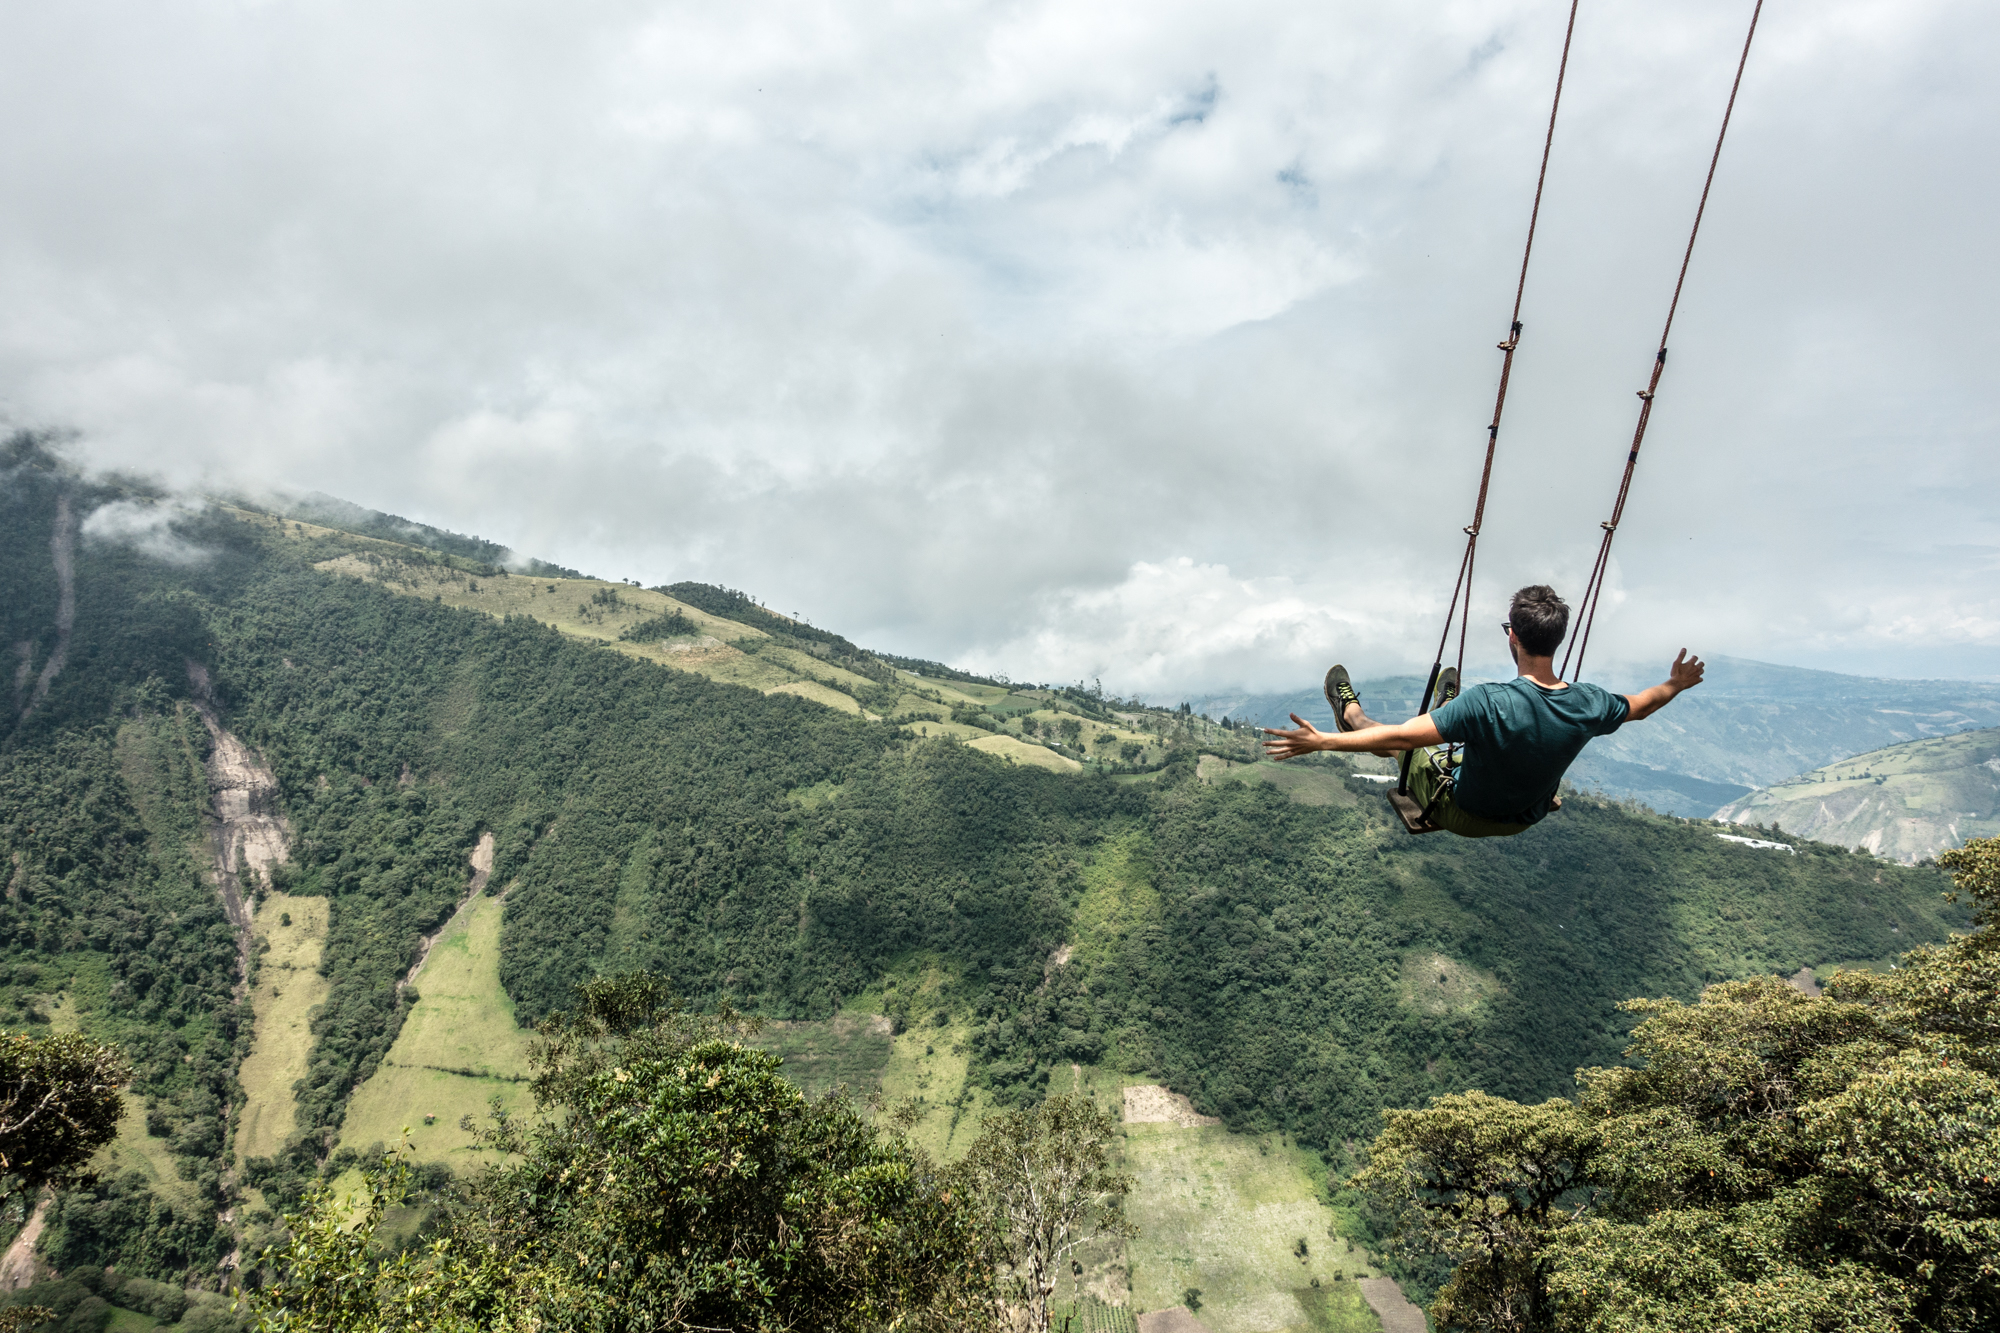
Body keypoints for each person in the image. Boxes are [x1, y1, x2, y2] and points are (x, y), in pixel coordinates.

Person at [1261, 585, 1704, 838]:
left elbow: (1401, 736)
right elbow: (1642, 706)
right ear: (1558, 639)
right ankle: (1447, 717)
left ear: (1513, 637)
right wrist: (1676, 684)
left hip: (1464, 815)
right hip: (1524, 817)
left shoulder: (1490, 701)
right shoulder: (1590, 702)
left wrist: (1322, 742)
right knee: (1458, 736)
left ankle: (1350, 715)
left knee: (1407, 746)